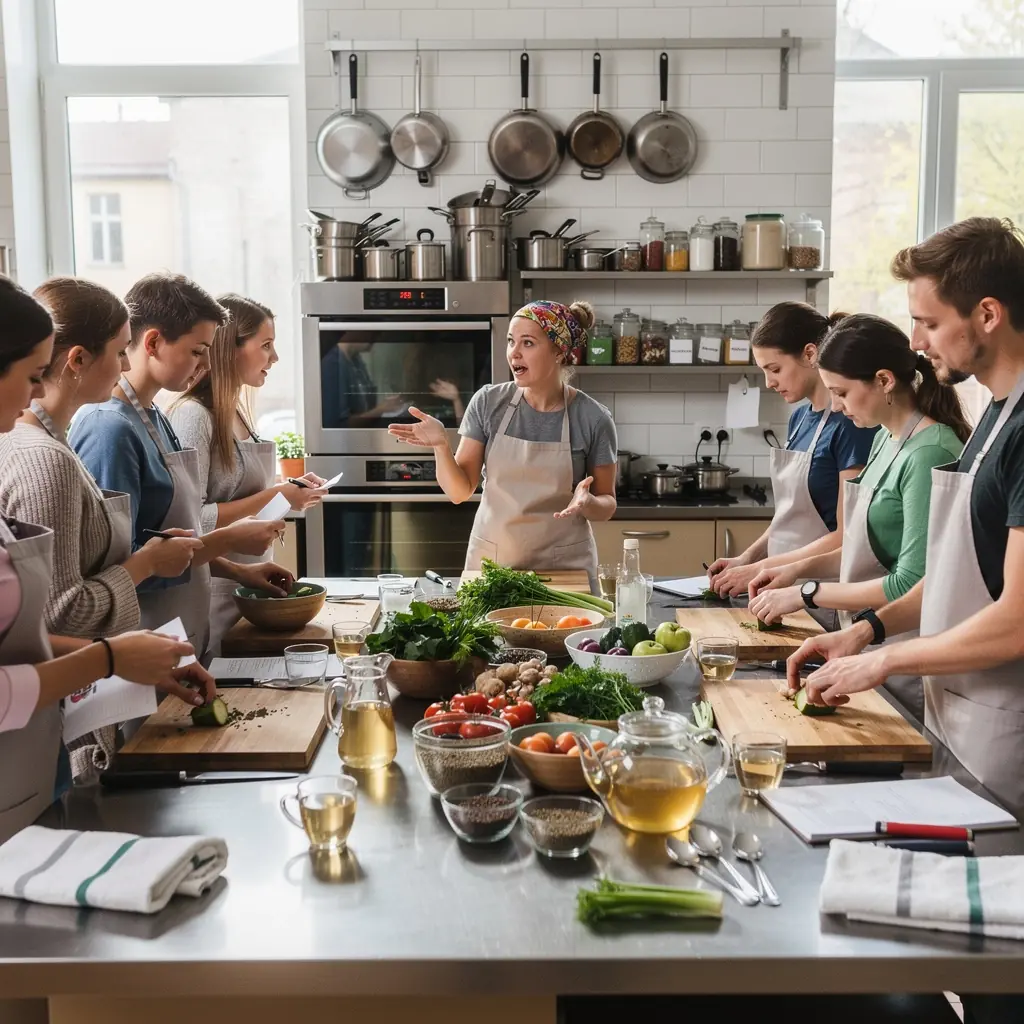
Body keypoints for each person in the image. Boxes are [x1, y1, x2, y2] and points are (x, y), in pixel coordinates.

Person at [787, 215, 1024, 1024]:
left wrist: (885, 663)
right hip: (960, 711)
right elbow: (952, 576)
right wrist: (863, 632)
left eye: (928, 320)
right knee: (949, 953)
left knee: (998, 972)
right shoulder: (993, 415)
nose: (919, 340)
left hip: (1008, 728)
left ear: (985, 315)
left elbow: (1019, 621)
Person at [0, 274, 215, 843]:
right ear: (75, 360)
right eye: (120, 352)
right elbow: (61, 612)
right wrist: (115, 650)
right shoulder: (43, 456)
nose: (124, 369)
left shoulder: (59, 445)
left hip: (41, 733)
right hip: (24, 752)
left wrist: (132, 656)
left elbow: (28, 634)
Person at [747, 314, 970, 718]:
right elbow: (856, 541)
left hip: (906, 645)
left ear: (884, 382)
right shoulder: (887, 437)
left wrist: (807, 592)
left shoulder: (929, 453)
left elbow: (910, 581)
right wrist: (793, 573)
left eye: (843, 393)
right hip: (868, 639)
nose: (835, 406)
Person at [70, 273, 293, 658]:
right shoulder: (108, 427)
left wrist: (237, 570)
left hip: (181, 629)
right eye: (197, 351)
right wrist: (230, 538)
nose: (208, 362)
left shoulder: (153, 415)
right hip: (141, 641)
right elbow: (118, 566)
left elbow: (171, 540)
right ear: (154, 342)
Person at [388, 299, 617, 578]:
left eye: (528, 343)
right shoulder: (488, 403)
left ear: (559, 351)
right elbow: (459, 491)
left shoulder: (593, 418)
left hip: (564, 570)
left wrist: (588, 503)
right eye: (511, 341)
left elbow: (607, 502)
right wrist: (441, 446)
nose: (514, 353)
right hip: (494, 565)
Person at [169, 294, 326, 654]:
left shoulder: (237, 413)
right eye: (266, 345)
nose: (275, 357)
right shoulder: (193, 416)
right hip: (214, 591)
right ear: (230, 348)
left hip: (251, 585)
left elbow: (235, 493)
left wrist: (290, 489)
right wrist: (278, 494)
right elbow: (194, 521)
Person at [708, 302, 878, 598]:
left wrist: (762, 569)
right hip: (779, 587)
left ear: (810, 354)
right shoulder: (799, 419)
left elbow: (845, 535)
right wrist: (747, 558)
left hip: (824, 591)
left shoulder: (852, 426)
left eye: (775, 369)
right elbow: (789, 517)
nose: (769, 382)